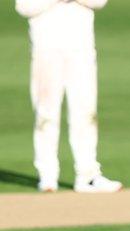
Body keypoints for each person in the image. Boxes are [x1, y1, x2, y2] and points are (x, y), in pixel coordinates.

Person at [15, 0, 122, 193]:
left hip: (81, 49)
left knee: (85, 111)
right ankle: (47, 176)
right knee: (45, 112)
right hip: (45, 48)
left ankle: (87, 175)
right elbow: (24, 7)